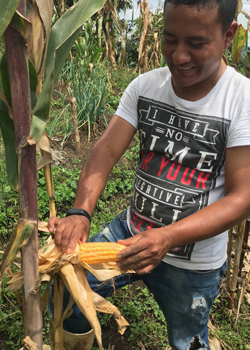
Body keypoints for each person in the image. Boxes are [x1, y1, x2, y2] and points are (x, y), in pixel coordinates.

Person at [48, 0, 250, 349]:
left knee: (187, 341)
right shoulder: (144, 87)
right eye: (170, 39)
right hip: (130, 231)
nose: (179, 56)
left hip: (192, 265)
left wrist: (167, 238)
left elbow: (241, 196)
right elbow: (105, 152)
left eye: (196, 43)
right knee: (68, 292)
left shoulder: (241, 99)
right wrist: (80, 210)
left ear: (228, 35)